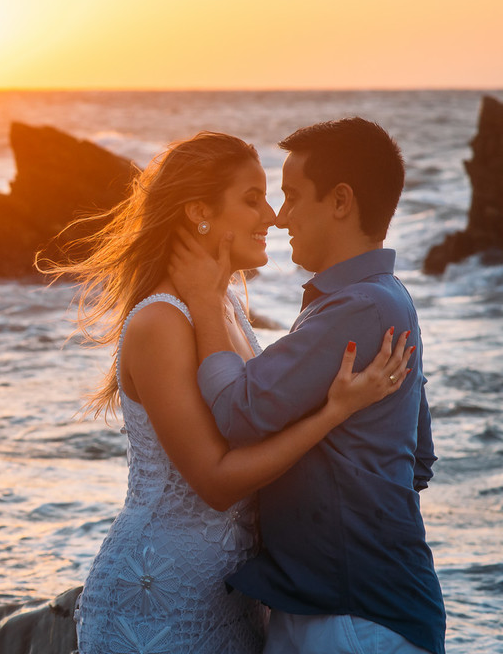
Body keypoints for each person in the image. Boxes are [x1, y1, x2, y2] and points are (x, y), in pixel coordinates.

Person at [45, 131, 411, 654]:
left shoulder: (226, 309)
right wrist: (334, 413)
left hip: (233, 597)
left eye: (272, 198)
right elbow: (216, 483)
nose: (272, 216)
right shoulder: (161, 322)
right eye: (252, 199)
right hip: (160, 597)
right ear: (199, 212)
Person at [168, 118, 445, 654]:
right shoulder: (387, 298)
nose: (280, 217)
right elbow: (418, 460)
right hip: (343, 608)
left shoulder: (358, 307)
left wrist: (204, 303)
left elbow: (238, 413)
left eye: (293, 197)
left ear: (341, 201)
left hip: (353, 618)